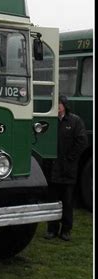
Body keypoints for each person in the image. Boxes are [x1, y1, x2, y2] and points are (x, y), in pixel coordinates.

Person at [44, 94, 87, 241]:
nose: (57, 107)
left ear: (64, 106)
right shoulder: (50, 121)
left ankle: (66, 230)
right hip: (52, 170)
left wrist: (70, 158)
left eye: (59, 104)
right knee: (53, 201)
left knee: (68, 202)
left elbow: (82, 141)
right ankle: (51, 229)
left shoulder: (75, 121)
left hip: (68, 170)